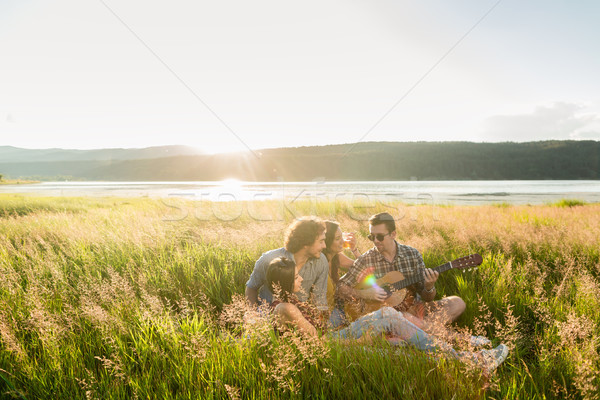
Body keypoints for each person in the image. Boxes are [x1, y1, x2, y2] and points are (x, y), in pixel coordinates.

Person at [266, 257, 509, 373]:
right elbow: (320, 346)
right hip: (333, 348)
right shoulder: (286, 308)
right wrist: (360, 340)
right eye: (296, 277)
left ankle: (469, 357)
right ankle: (472, 360)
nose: (301, 278)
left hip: (336, 339)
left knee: (390, 317)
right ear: (286, 281)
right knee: (399, 342)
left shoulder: (292, 301)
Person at [337, 212, 466, 332]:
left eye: (380, 236)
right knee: (403, 317)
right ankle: (428, 331)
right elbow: (340, 287)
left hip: (415, 308)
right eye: (372, 237)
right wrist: (365, 293)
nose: (375, 241)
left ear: (393, 234)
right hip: (388, 315)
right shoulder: (366, 259)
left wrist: (429, 286)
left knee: (457, 303)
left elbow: (427, 298)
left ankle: (419, 330)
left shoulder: (412, 254)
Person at [245, 216, 329, 314]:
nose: (324, 246)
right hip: (268, 317)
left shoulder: (321, 261)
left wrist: (320, 324)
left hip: (298, 319)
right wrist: (253, 315)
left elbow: (319, 299)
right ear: (306, 243)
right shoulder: (269, 259)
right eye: (321, 241)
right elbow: (251, 288)